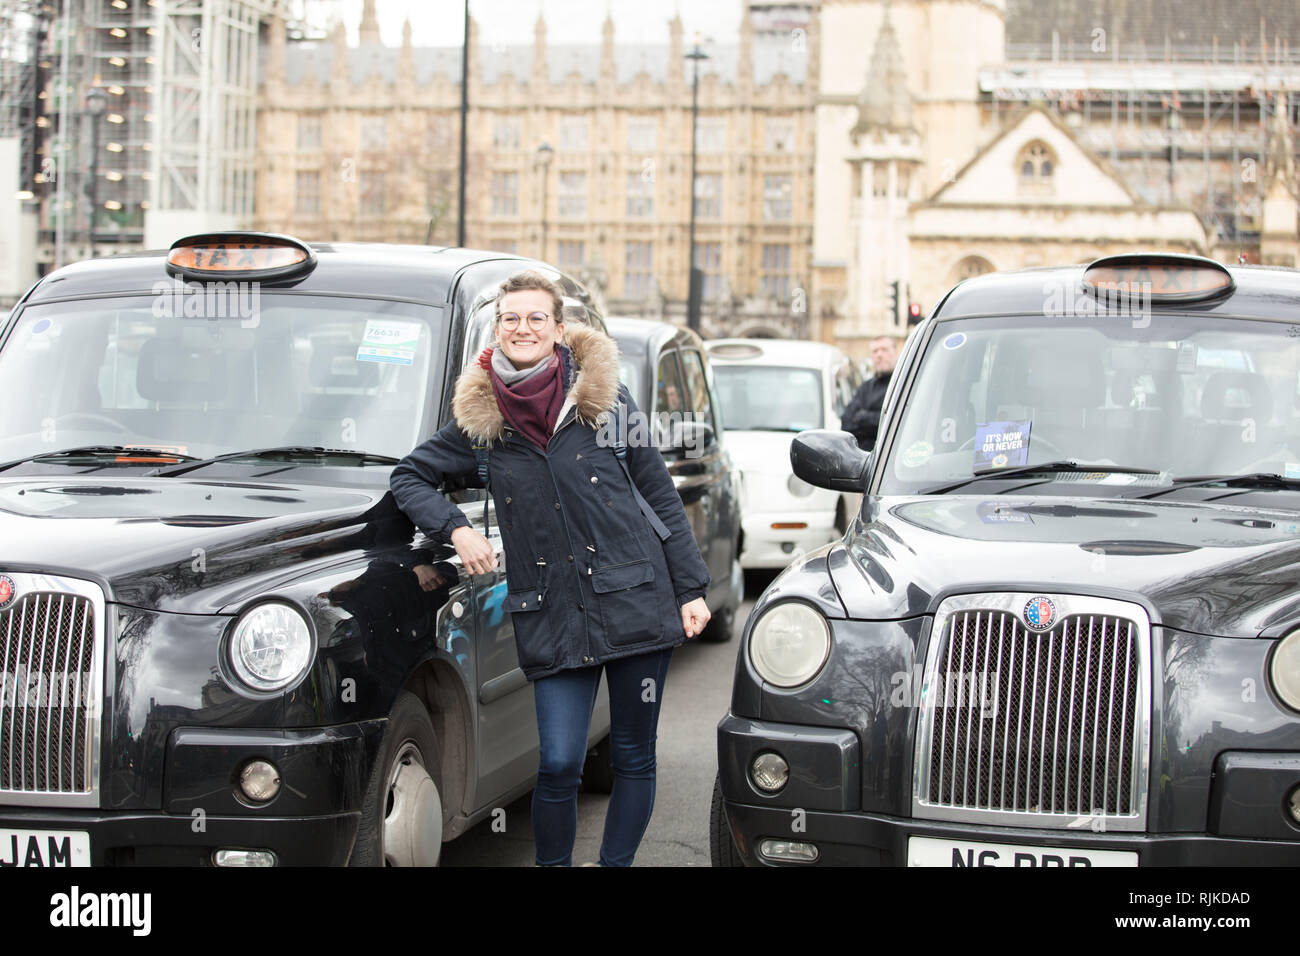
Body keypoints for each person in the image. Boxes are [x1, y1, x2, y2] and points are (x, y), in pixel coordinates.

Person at [389, 270, 711, 867]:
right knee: (558, 761)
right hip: (552, 612)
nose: (523, 327)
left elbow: (657, 489)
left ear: (560, 330)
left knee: (634, 756)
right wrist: (455, 529)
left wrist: (690, 587)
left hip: (636, 597)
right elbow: (409, 476)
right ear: (497, 331)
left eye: (537, 317)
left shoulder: (609, 401)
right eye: (511, 318)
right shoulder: (482, 424)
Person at [841, 335, 899, 449]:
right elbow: (846, 423)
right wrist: (875, 420)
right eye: (875, 351)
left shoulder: (902, 385)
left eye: (884, 350)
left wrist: (862, 417)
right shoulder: (865, 388)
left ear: (895, 352)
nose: (879, 355)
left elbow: (894, 422)